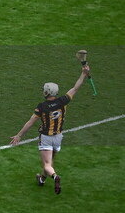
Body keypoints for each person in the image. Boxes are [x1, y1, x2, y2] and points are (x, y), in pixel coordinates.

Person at [10, 65, 91, 194]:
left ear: (47, 92)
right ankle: (42, 179)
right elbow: (76, 88)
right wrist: (84, 74)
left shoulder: (42, 107)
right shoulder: (63, 101)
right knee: (50, 161)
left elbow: (30, 122)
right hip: (58, 137)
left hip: (46, 138)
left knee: (47, 165)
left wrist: (19, 135)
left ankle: (55, 177)